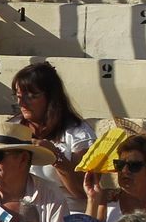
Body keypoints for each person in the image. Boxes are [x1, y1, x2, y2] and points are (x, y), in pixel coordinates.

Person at [11, 61, 95, 199]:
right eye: (18, 96)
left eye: (31, 96)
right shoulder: (12, 127)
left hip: (68, 212)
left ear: (51, 97)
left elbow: (84, 191)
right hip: (21, 211)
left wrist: (56, 157)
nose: (21, 103)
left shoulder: (78, 133)